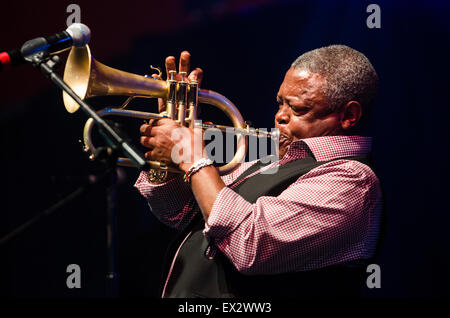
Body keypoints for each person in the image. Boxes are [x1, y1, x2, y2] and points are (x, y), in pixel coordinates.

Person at [135, 44, 382, 298]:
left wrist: (192, 156)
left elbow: (250, 244)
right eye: (280, 103)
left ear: (349, 115)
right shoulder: (272, 161)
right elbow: (181, 212)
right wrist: (169, 162)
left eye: (297, 109)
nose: (279, 117)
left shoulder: (352, 180)